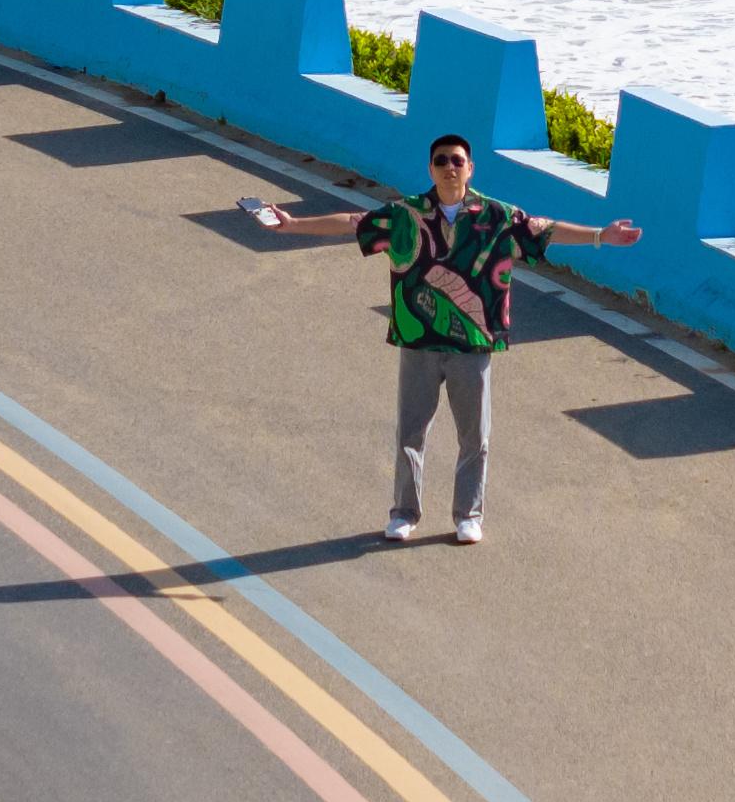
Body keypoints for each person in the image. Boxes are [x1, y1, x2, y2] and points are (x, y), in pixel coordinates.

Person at [253, 134, 640, 545]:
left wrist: (602, 235)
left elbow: (544, 230)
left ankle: (468, 515)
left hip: (473, 344)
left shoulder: (496, 216)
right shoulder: (407, 214)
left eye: (457, 160)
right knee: (410, 433)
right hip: (419, 339)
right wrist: (293, 225)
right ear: (430, 169)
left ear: (470, 168)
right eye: (441, 160)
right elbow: (353, 222)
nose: (450, 167)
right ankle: (404, 514)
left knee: (474, 436)